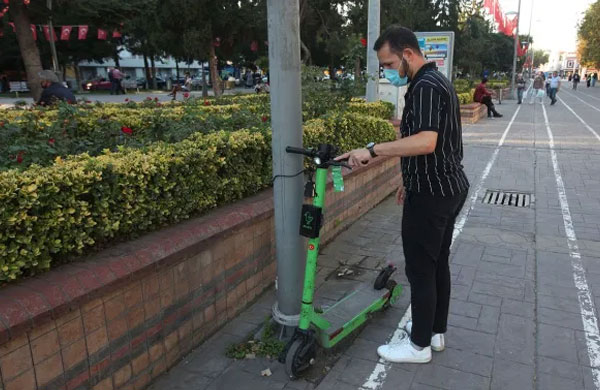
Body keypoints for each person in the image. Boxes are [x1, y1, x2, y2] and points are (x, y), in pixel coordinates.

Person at [335, 25, 469, 364]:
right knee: (437, 266)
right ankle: (435, 332)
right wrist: (408, 179)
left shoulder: (424, 86)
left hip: (432, 195)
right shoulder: (438, 82)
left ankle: (418, 346)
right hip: (446, 186)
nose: (388, 72)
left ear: (408, 54)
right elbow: (438, 146)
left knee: (421, 270)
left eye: (390, 65)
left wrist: (372, 149)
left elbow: (426, 141)